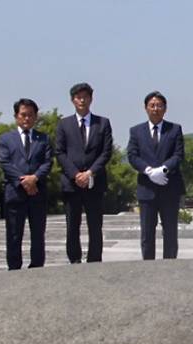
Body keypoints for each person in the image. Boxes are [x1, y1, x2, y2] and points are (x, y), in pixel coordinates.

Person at [56, 83, 113, 263]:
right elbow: (60, 152)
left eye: (85, 96)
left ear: (91, 99)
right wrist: (75, 174)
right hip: (71, 183)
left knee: (95, 225)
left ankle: (94, 259)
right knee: (72, 225)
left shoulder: (102, 123)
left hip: (94, 182)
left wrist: (90, 173)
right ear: (72, 100)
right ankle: (74, 259)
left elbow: (106, 152)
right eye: (78, 97)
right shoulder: (64, 124)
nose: (82, 100)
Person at [127, 91, 185, 260]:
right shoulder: (136, 131)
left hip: (170, 187)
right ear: (146, 108)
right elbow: (132, 155)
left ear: (165, 109)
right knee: (147, 233)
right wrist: (149, 171)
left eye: (159, 105)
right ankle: (148, 266)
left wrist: (163, 170)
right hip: (146, 188)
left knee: (170, 233)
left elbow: (178, 155)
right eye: (152, 105)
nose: (155, 108)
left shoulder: (174, 129)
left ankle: (170, 266)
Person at [0, 98, 52, 270]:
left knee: (38, 234)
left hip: (37, 193)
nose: (27, 118)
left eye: (30, 115)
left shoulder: (43, 139)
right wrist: (24, 181)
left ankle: (36, 266)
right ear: (16, 116)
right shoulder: (6, 139)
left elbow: (47, 163)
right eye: (23, 115)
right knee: (14, 234)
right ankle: (14, 267)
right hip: (15, 193)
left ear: (35, 117)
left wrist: (34, 178)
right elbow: (5, 163)